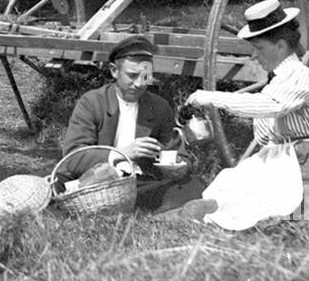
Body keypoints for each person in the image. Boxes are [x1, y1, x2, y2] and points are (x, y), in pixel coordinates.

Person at [180, 0, 309, 230]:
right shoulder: (276, 83)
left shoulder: (302, 76)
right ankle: (216, 207)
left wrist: (213, 98)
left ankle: (231, 212)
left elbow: (273, 105)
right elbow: (267, 133)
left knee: (274, 195)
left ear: (280, 46)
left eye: (259, 49)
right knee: (236, 177)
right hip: (285, 155)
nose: (255, 56)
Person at [60, 35, 206, 212]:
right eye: (132, 75)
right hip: (97, 184)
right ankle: (164, 211)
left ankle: (153, 208)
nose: (138, 84)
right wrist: (121, 154)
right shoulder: (92, 102)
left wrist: (177, 167)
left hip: (139, 183)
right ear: (114, 71)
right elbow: (73, 157)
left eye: (145, 76)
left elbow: (180, 155)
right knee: (56, 184)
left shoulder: (159, 107)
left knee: (194, 184)